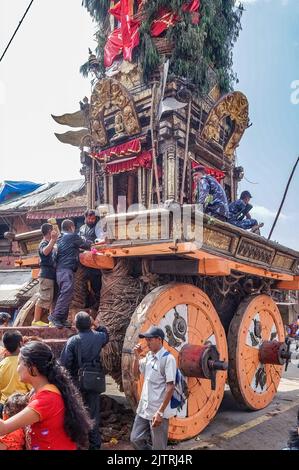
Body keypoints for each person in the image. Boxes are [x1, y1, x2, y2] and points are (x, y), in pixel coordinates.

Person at [0, 341, 92, 450]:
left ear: (32, 368)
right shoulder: (39, 392)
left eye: (20, 363)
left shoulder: (46, 400)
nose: (17, 368)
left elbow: (3, 428)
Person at [60, 311, 109, 450]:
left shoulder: (73, 341)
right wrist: (96, 324)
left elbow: (65, 363)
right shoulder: (99, 337)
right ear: (90, 323)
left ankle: (79, 445)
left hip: (77, 382)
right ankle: (95, 445)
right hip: (94, 380)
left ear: (76, 325)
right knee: (93, 414)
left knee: (77, 414)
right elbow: (106, 335)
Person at [130, 326, 176, 451]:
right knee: (135, 439)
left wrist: (160, 412)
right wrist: (136, 356)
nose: (147, 342)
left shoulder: (168, 359)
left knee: (159, 447)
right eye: (146, 339)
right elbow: (135, 375)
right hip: (144, 409)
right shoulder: (149, 356)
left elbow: (170, 386)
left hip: (157, 411)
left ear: (159, 340)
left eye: (150, 339)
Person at [49, 219, 91, 328]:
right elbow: (86, 244)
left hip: (60, 270)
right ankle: (56, 316)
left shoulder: (59, 238)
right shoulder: (72, 236)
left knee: (66, 293)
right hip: (66, 269)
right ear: (71, 227)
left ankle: (62, 318)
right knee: (66, 292)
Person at [71, 210, 104, 316]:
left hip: (95, 259)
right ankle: (85, 304)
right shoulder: (81, 228)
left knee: (97, 283)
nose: (91, 220)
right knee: (81, 284)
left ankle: (99, 304)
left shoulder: (99, 227)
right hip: (83, 258)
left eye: (93, 218)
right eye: (89, 218)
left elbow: (102, 240)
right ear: (85, 218)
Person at [32, 223, 58, 327]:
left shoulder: (51, 243)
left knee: (52, 299)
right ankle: (36, 320)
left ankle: (51, 320)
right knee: (44, 297)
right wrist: (53, 240)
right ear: (49, 232)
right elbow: (45, 252)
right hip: (46, 275)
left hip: (52, 275)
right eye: (52, 230)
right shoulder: (43, 243)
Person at [0, 331, 31, 417]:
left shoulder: (2, 364)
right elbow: (31, 387)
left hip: (3, 405)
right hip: (21, 405)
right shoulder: (25, 364)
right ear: (20, 343)